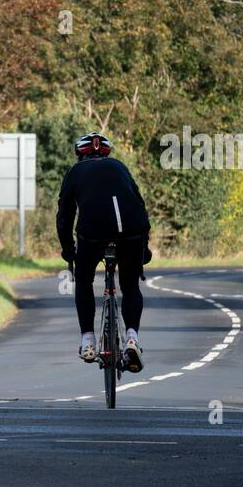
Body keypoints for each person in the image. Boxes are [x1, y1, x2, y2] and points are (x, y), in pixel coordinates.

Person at [56, 132, 152, 372]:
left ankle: (87, 340)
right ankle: (132, 338)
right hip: (132, 230)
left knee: (85, 280)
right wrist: (145, 246)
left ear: (80, 155)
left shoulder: (74, 172)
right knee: (130, 285)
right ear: (106, 153)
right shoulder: (120, 167)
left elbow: (65, 216)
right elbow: (139, 205)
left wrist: (68, 250)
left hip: (93, 232)